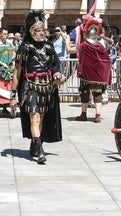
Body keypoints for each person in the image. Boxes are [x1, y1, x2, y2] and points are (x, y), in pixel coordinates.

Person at [9, 10, 64, 164]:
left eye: (43, 30)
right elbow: (16, 73)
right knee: (34, 117)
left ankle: (35, 144)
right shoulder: (25, 48)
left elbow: (55, 66)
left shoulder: (49, 47)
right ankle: (40, 151)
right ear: (32, 31)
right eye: (38, 30)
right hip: (30, 87)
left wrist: (57, 74)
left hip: (47, 88)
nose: (42, 33)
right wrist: (12, 95)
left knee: (40, 120)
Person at [67, 14, 112, 123]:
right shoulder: (100, 46)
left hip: (86, 75)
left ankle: (84, 114)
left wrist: (67, 40)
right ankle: (97, 115)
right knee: (97, 95)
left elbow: (69, 50)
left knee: (84, 94)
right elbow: (107, 60)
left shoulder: (84, 45)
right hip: (97, 76)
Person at [0, 28, 16, 115]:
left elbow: (14, 52)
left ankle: (6, 107)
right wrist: (2, 63)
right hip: (0, 69)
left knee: (8, 88)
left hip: (9, 69)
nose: (6, 35)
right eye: (4, 34)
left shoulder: (9, 43)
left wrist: (12, 60)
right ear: (0, 34)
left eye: (7, 34)